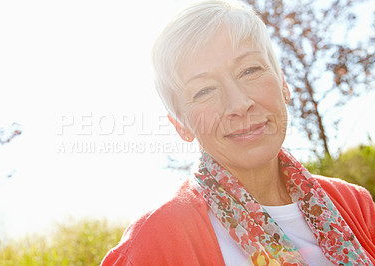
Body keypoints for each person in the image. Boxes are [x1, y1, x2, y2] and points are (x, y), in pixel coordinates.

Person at [101, 0, 375, 265]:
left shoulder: (355, 204)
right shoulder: (150, 244)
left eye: (250, 70)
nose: (239, 104)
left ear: (283, 84)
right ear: (181, 124)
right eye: (204, 90)